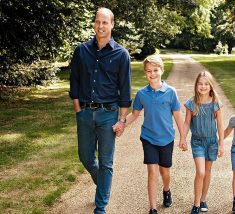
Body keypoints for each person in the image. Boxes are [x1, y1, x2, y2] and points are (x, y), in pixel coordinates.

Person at [69, 7, 132, 214]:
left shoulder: (121, 54)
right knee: (86, 157)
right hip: (85, 113)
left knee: (106, 162)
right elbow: (75, 82)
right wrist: (78, 110)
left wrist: (122, 120)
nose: (100, 26)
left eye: (105, 22)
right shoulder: (81, 51)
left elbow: (125, 90)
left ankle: (101, 206)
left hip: (108, 114)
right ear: (94, 23)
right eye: (97, 22)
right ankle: (103, 187)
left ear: (112, 25)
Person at [116, 55, 186, 214]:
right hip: (148, 138)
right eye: (149, 71)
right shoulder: (142, 94)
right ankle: (152, 207)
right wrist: (122, 124)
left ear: (162, 70)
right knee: (152, 171)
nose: (152, 74)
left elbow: (177, 115)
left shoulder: (171, 92)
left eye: (155, 70)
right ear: (145, 73)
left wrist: (182, 137)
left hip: (167, 138)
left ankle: (167, 190)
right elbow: (134, 114)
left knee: (165, 171)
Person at [183, 71, 224, 214]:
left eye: (206, 84)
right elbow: (186, 123)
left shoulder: (215, 103)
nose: (203, 86)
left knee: (207, 172)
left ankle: (203, 200)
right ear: (196, 85)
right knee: (200, 172)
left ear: (211, 86)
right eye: (200, 83)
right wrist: (183, 138)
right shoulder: (191, 103)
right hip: (197, 142)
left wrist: (221, 144)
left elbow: (220, 125)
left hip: (212, 141)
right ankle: (195, 203)